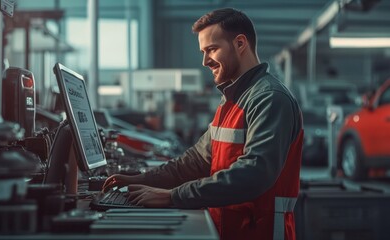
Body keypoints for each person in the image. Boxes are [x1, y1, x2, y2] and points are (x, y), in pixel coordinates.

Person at [102, 8, 303, 240]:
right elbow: (196, 160)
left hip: (261, 231)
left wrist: (172, 196)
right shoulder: (232, 99)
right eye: (203, 52)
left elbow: (255, 173)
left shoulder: (269, 98)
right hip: (227, 229)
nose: (205, 61)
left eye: (212, 49)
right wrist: (142, 179)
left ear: (240, 44)